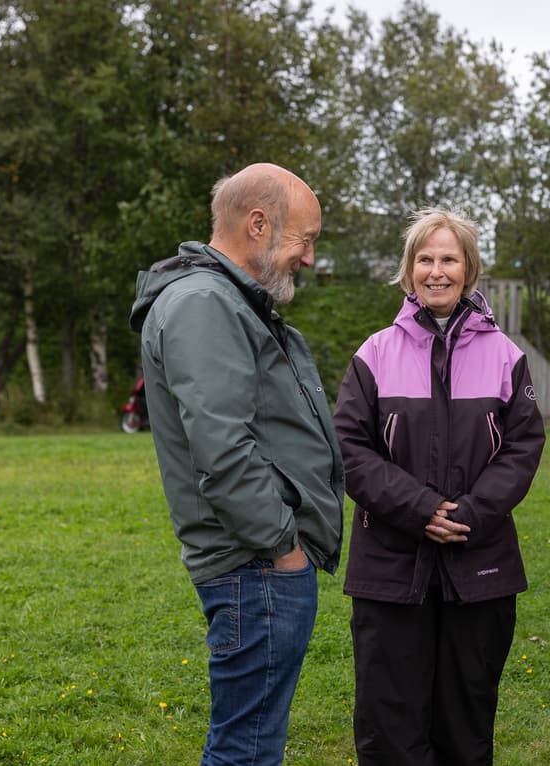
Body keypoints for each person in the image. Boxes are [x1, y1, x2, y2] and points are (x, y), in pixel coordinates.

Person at [129, 163, 344, 765]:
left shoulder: (224, 300)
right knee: (245, 751)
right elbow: (223, 450)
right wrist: (283, 546)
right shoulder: (204, 303)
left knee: (250, 743)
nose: (307, 257)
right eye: (306, 239)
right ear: (258, 224)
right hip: (256, 567)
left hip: (259, 565)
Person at [332, 208, 546, 765]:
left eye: (448, 258)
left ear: (469, 269)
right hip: (390, 566)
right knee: (389, 726)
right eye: (424, 259)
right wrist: (420, 508)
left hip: (480, 566)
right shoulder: (374, 353)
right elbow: (349, 449)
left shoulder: (506, 356)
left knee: (465, 724)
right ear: (408, 271)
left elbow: (523, 448)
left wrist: (470, 514)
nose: (436, 270)